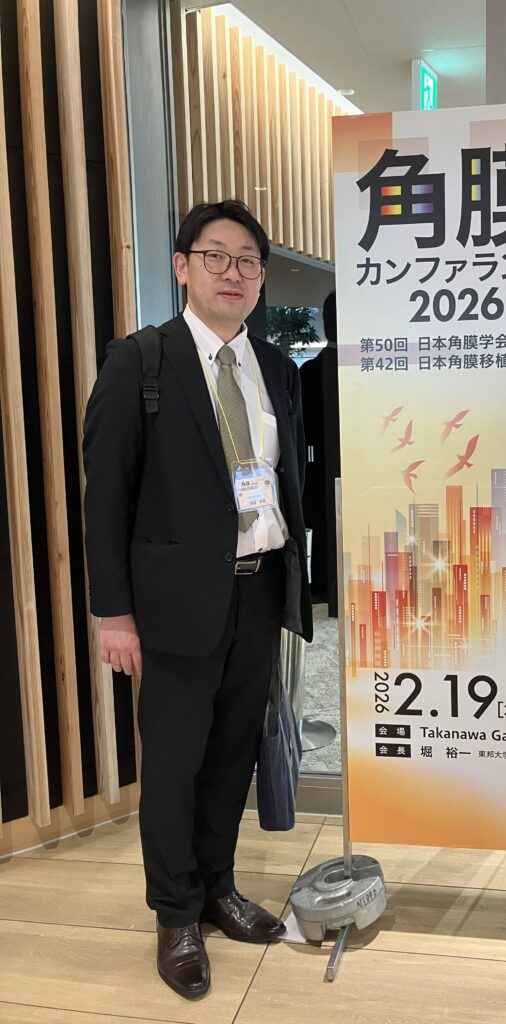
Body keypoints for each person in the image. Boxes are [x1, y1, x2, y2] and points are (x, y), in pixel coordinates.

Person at [83, 199, 312, 998]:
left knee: (231, 755)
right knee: (176, 763)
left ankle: (218, 887)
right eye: (216, 256)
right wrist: (112, 613)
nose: (233, 273)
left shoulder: (276, 369)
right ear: (182, 266)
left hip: (260, 590)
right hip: (174, 603)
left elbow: (284, 482)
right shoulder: (141, 363)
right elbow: (105, 499)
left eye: (248, 261)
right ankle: (175, 913)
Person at [299, 291, 340, 615]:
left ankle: (321, 587)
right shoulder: (365, 372)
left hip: (312, 474)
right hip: (322, 472)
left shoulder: (307, 373)